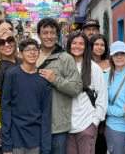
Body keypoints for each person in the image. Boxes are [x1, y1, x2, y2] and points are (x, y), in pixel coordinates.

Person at [36, 17, 82, 154]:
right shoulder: (32, 56)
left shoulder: (66, 58)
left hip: (58, 126)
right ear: (39, 35)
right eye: (45, 33)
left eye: (52, 32)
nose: (49, 36)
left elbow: (76, 88)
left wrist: (56, 79)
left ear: (57, 35)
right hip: (35, 124)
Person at [1, 38, 52, 154]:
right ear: (20, 54)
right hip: (15, 137)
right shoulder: (12, 75)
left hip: (35, 138)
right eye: (28, 50)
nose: (32, 52)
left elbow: (46, 114)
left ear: (39, 54)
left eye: (35, 49)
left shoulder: (43, 79)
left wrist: (46, 147)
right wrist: (6, 141)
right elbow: (5, 107)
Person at [65, 32, 107, 154]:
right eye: (74, 43)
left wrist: (94, 123)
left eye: (81, 43)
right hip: (67, 127)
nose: (77, 46)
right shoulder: (64, 66)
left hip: (86, 125)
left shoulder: (94, 68)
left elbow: (102, 98)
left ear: (86, 46)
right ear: (69, 45)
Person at [0, 28, 22, 154]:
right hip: (2, 123)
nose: (7, 44)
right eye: (1, 42)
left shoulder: (22, 63)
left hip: (19, 122)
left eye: (10, 40)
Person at [104, 41, 125, 154]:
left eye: (122, 53)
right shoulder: (105, 77)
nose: (119, 57)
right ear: (111, 57)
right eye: (115, 54)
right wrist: (122, 110)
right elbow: (103, 106)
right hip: (115, 126)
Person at [89, 34, 110, 154]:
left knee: (102, 136)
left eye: (102, 45)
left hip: (107, 104)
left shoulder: (110, 64)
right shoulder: (86, 63)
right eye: (96, 44)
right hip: (90, 106)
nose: (99, 47)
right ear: (91, 46)